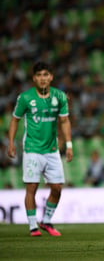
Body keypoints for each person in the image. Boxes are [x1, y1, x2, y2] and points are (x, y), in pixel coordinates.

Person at [7, 61, 73, 237]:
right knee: (32, 188)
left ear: (51, 77)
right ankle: (33, 226)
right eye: (39, 75)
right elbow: (15, 119)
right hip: (32, 150)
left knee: (57, 188)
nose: (43, 78)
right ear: (34, 78)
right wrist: (11, 142)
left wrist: (69, 145)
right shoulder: (25, 98)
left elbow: (65, 121)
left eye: (46, 75)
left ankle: (46, 221)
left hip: (52, 150)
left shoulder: (59, 97)